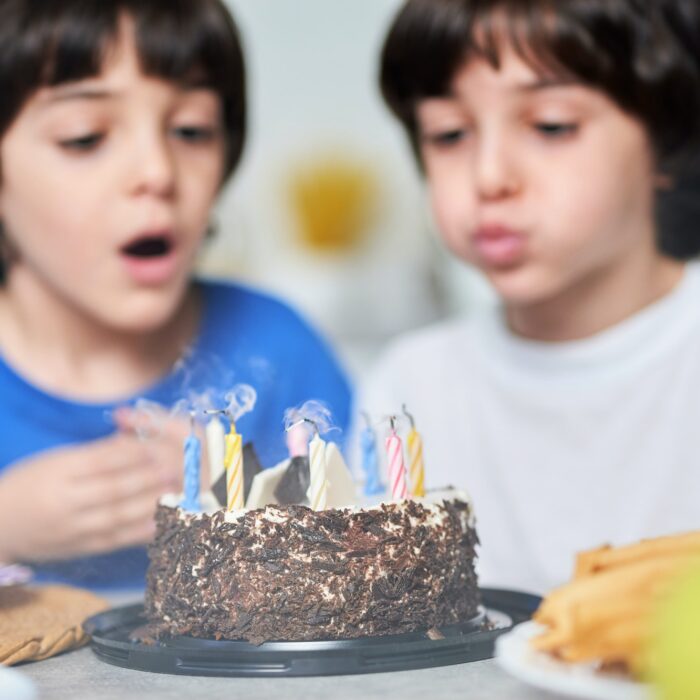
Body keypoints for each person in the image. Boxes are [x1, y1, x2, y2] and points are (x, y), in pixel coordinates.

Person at [0, 0, 351, 589]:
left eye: (191, 130)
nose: (158, 171)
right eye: (84, 137)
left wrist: (251, 493)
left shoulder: (277, 352)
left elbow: (378, 549)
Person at [360, 0, 700, 594]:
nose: (490, 176)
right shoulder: (410, 392)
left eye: (551, 125)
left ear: (666, 140)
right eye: (448, 134)